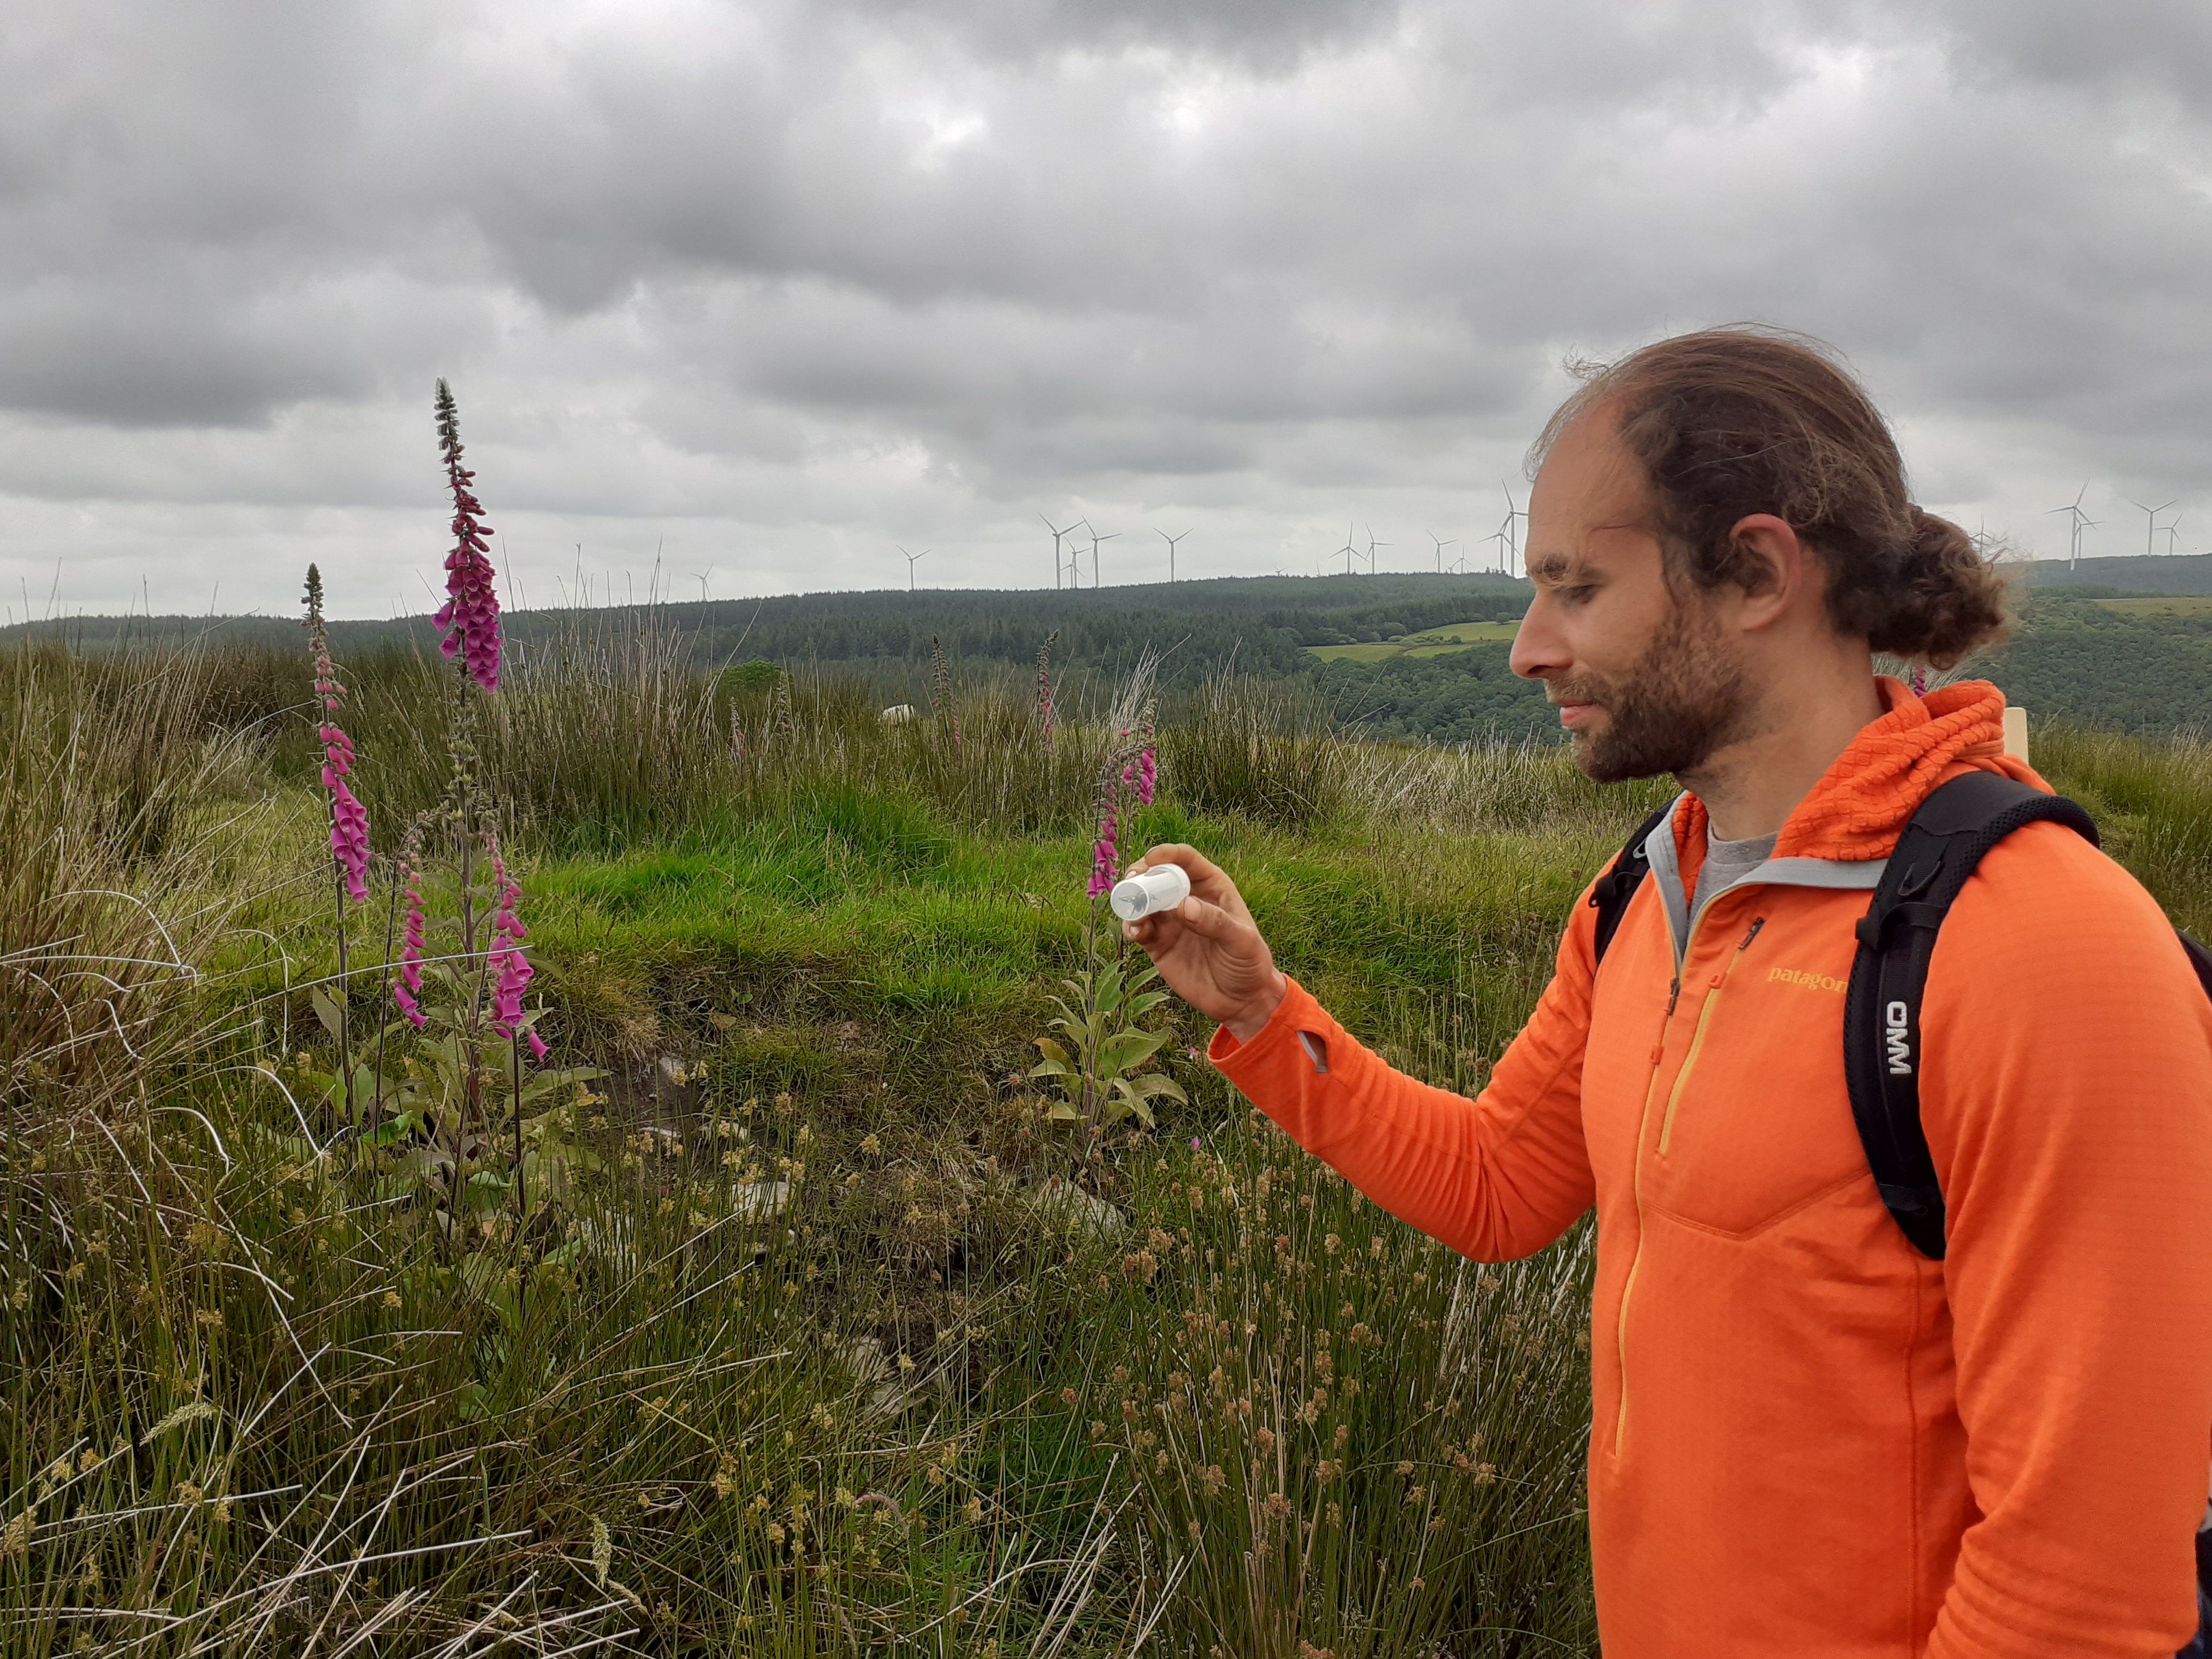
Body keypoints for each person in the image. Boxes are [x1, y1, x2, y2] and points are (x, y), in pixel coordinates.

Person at [1120, 327, 2212, 1657]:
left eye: (1577, 589)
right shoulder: (1650, 896)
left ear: (1756, 571)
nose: (1530, 648)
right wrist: (1262, 1019)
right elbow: (1498, 1188)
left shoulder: (2042, 948)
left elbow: (2087, 1591)